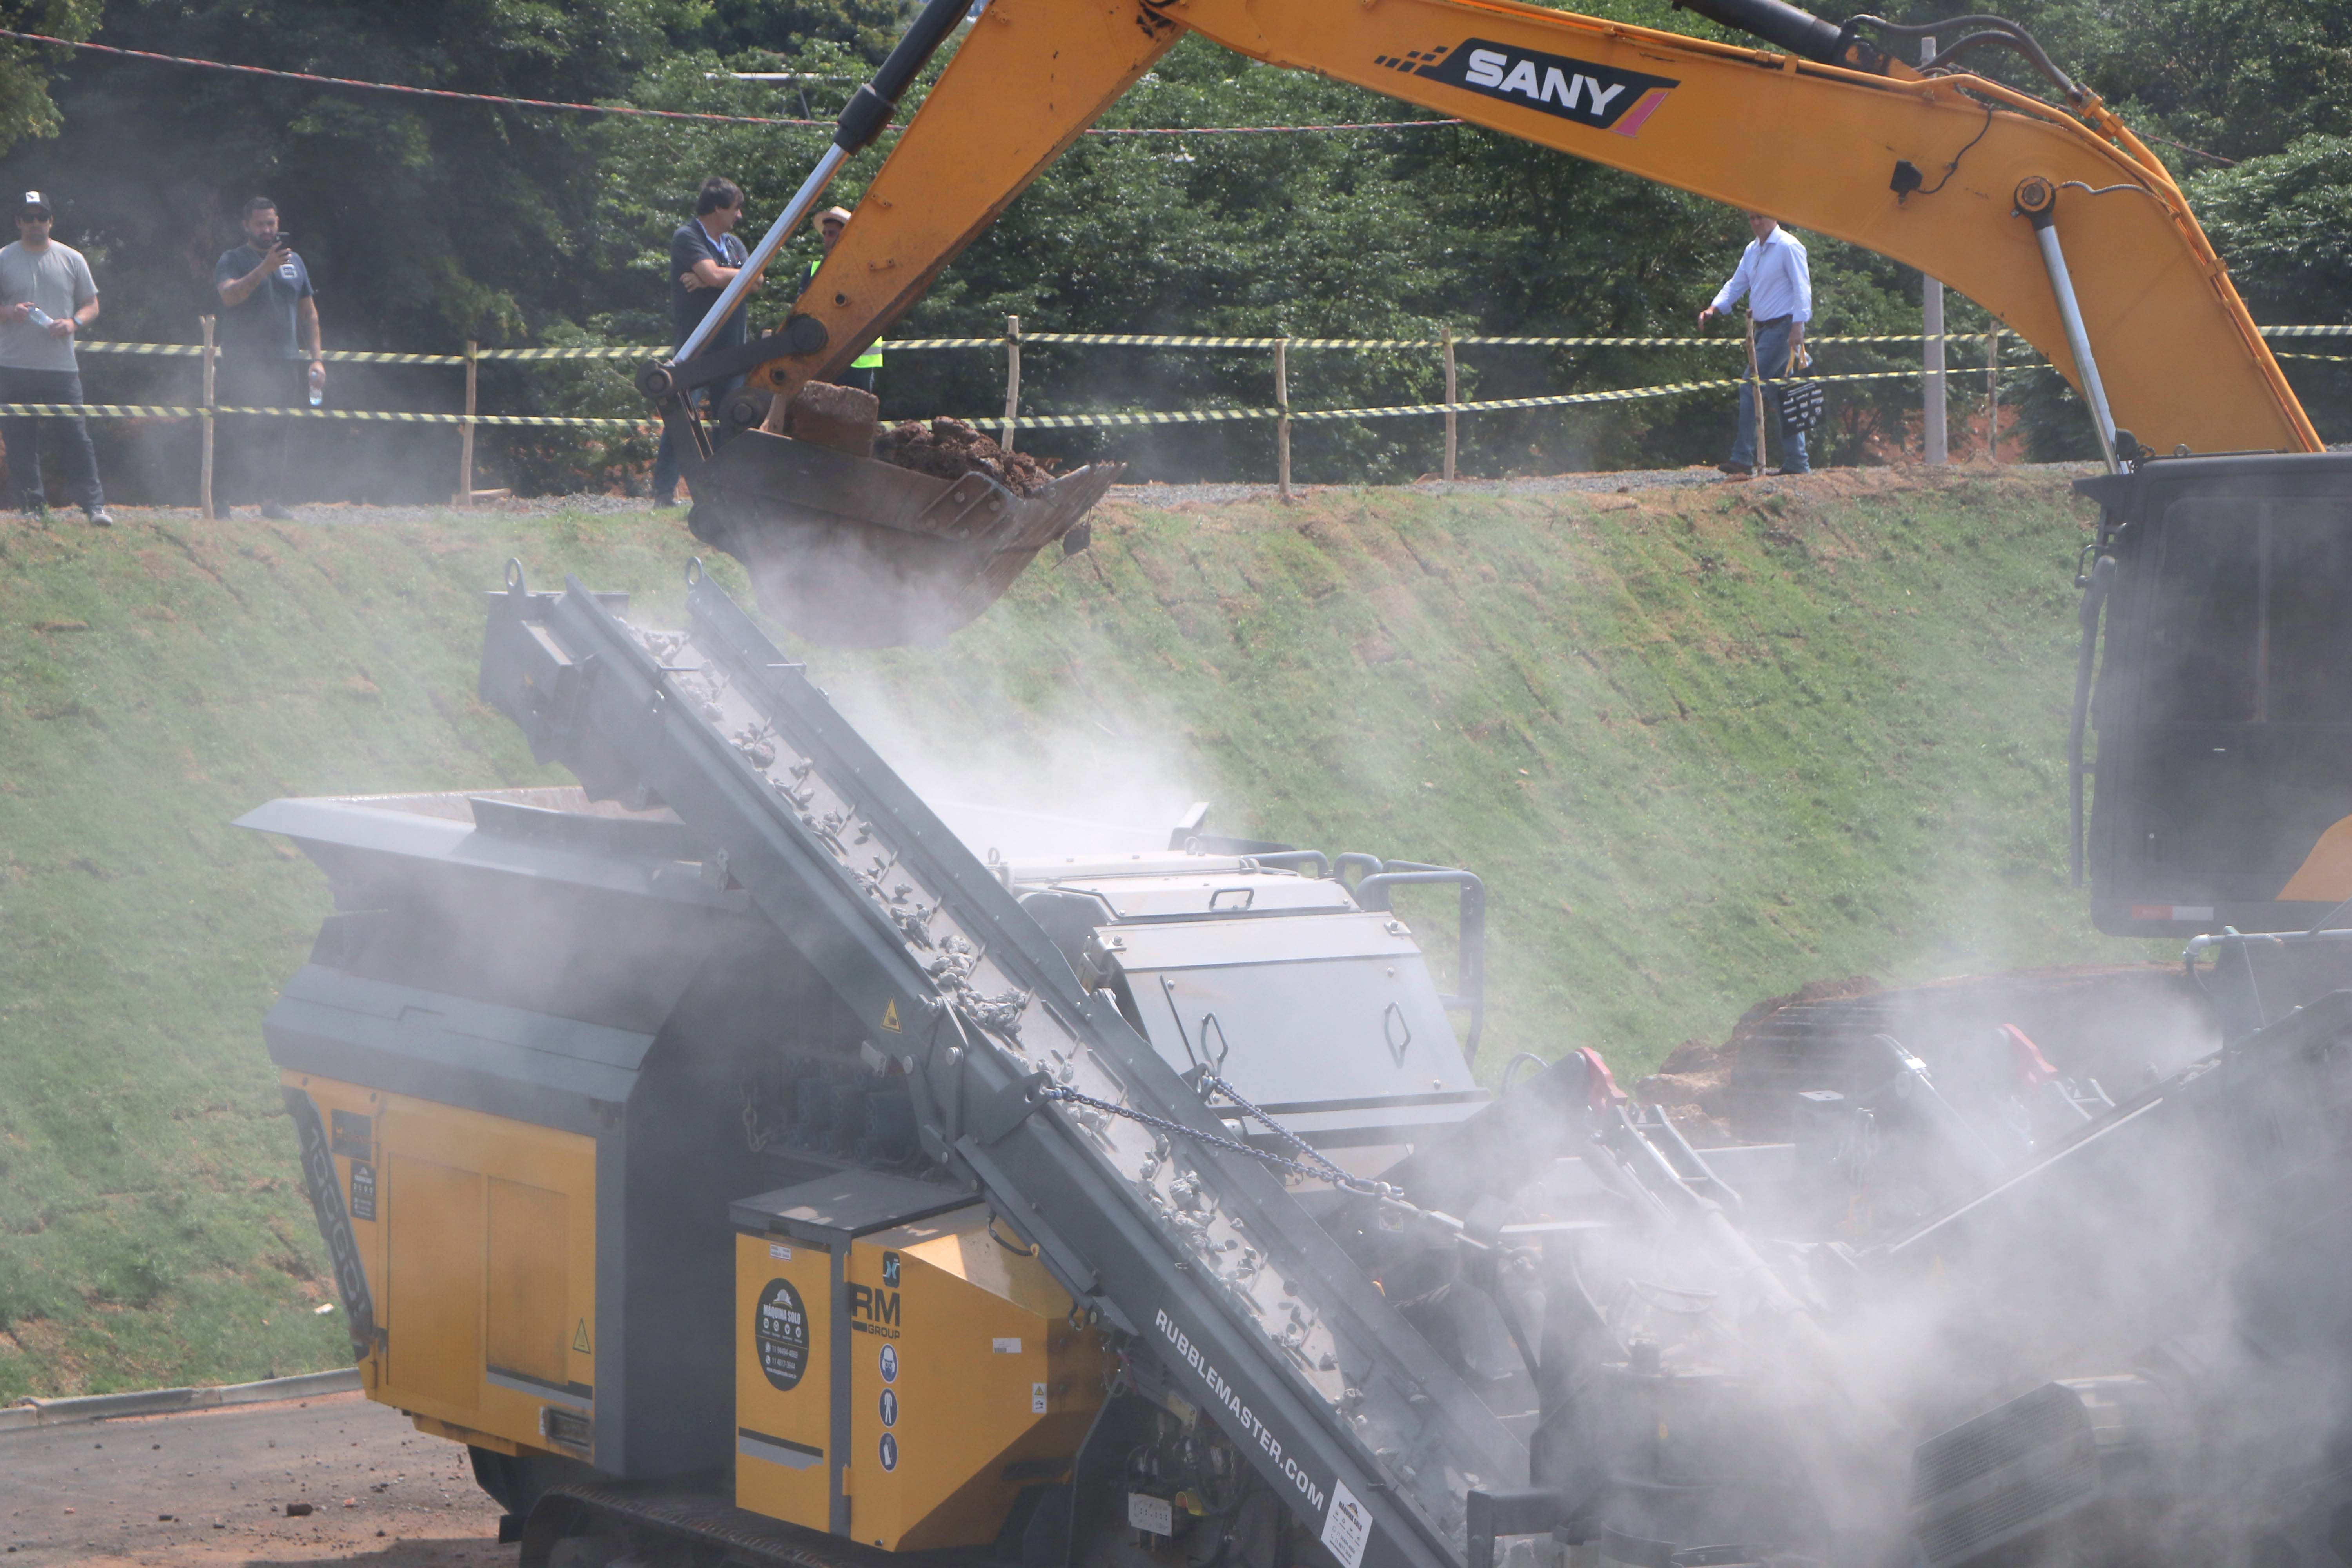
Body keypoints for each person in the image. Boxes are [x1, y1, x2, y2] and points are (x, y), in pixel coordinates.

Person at [0, 192, 112, 525]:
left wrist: (74, 323)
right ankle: (32, 508)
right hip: (14, 365)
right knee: (20, 439)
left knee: (76, 435)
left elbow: (92, 304)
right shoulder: (3, 258)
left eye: (42, 217)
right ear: (19, 221)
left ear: (51, 221)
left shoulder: (72, 258)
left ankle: (94, 506)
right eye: (29, 217)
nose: (36, 223)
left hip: (61, 367)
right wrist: (8, 312)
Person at [214, 196, 323, 519]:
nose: (267, 230)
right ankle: (222, 503)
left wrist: (317, 359)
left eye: (271, 223)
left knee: (277, 434)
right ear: (246, 225)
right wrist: (264, 269)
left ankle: (270, 502)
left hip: (284, 361)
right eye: (260, 223)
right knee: (233, 431)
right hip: (242, 362)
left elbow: (309, 314)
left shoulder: (296, 262)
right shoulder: (233, 259)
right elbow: (229, 296)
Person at [653, 176, 753, 507]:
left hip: (732, 345)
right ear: (717, 209)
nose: (739, 216)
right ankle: (664, 494)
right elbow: (738, 276)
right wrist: (725, 277)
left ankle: (727, 493)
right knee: (680, 414)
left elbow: (759, 278)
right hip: (697, 345)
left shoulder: (735, 243)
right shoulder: (687, 237)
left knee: (732, 419)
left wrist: (711, 279)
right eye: (735, 209)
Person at [1699, 212, 1811, 477]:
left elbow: (1802, 288)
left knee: (1750, 385)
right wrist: (1714, 308)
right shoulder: (1753, 250)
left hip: (1783, 329)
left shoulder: (1789, 246)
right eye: (1752, 218)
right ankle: (1797, 462)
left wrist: (1799, 326)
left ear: (1774, 217)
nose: (1756, 223)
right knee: (1780, 394)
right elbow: (1737, 284)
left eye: (1761, 217)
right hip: (1762, 331)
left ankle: (1743, 458)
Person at [808, 205, 884, 396]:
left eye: (832, 234)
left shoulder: (869, 270)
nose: (826, 239)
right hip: (823, 357)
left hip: (860, 360)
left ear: (847, 235)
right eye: (825, 234)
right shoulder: (813, 270)